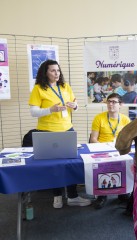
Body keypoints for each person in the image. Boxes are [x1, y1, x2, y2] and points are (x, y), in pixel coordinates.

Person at [28, 59, 91, 209]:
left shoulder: (65, 86)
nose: (56, 73)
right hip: (48, 130)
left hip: (67, 128)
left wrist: (74, 106)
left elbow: (75, 105)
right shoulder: (38, 88)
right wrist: (51, 109)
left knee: (71, 163)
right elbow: (33, 112)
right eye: (52, 70)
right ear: (45, 72)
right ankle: (57, 196)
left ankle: (72, 196)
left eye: (58, 70)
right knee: (53, 165)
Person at [90, 93, 131, 209]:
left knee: (126, 163)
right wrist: (106, 149)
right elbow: (93, 139)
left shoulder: (125, 119)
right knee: (103, 164)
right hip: (102, 149)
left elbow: (129, 138)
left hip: (119, 149)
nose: (110, 104)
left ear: (120, 105)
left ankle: (123, 192)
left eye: (114, 102)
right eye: (109, 101)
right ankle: (102, 196)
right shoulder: (99, 118)